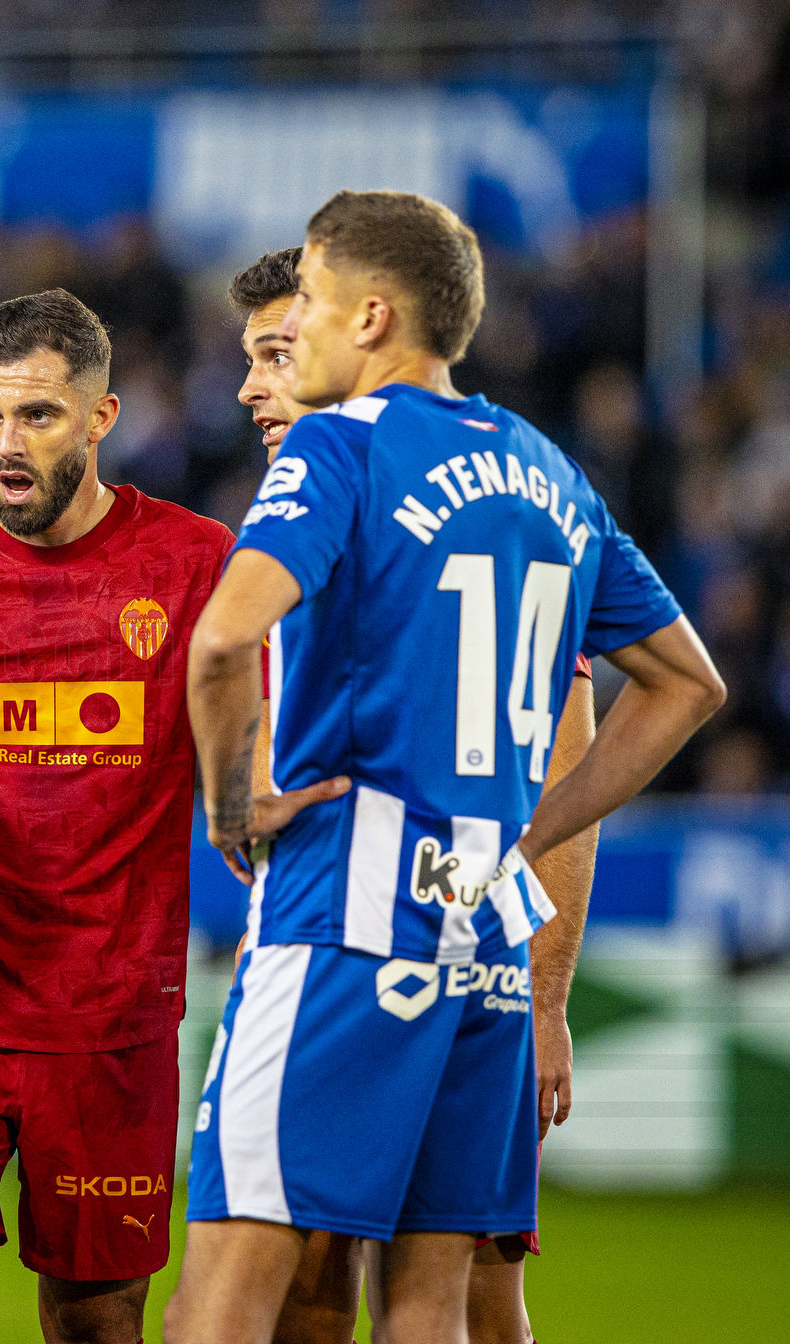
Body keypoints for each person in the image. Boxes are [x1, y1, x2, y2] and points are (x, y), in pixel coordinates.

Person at [167, 190, 726, 1344]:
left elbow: (219, 642)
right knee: (432, 1307)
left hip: (342, 918)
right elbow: (687, 683)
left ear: (370, 316)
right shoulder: (550, 474)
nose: (295, 334)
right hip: (486, 945)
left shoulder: (339, 443)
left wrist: (230, 800)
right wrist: (531, 830)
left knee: (220, 1294)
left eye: (310, 303)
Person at [0, 289, 340, 1344]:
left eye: (38, 415)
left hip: (111, 1029)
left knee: (97, 1323)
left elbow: (251, 748)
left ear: (101, 418)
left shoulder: (196, 566)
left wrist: (258, 811)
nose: (6, 445)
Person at [205, 246, 605, 1344]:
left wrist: (549, 992)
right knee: (384, 1280)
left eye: (275, 354)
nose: (249, 388)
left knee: (414, 1280)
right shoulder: (511, 494)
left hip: (366, 936)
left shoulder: (365, 493)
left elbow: (564, 768)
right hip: (452, 943)